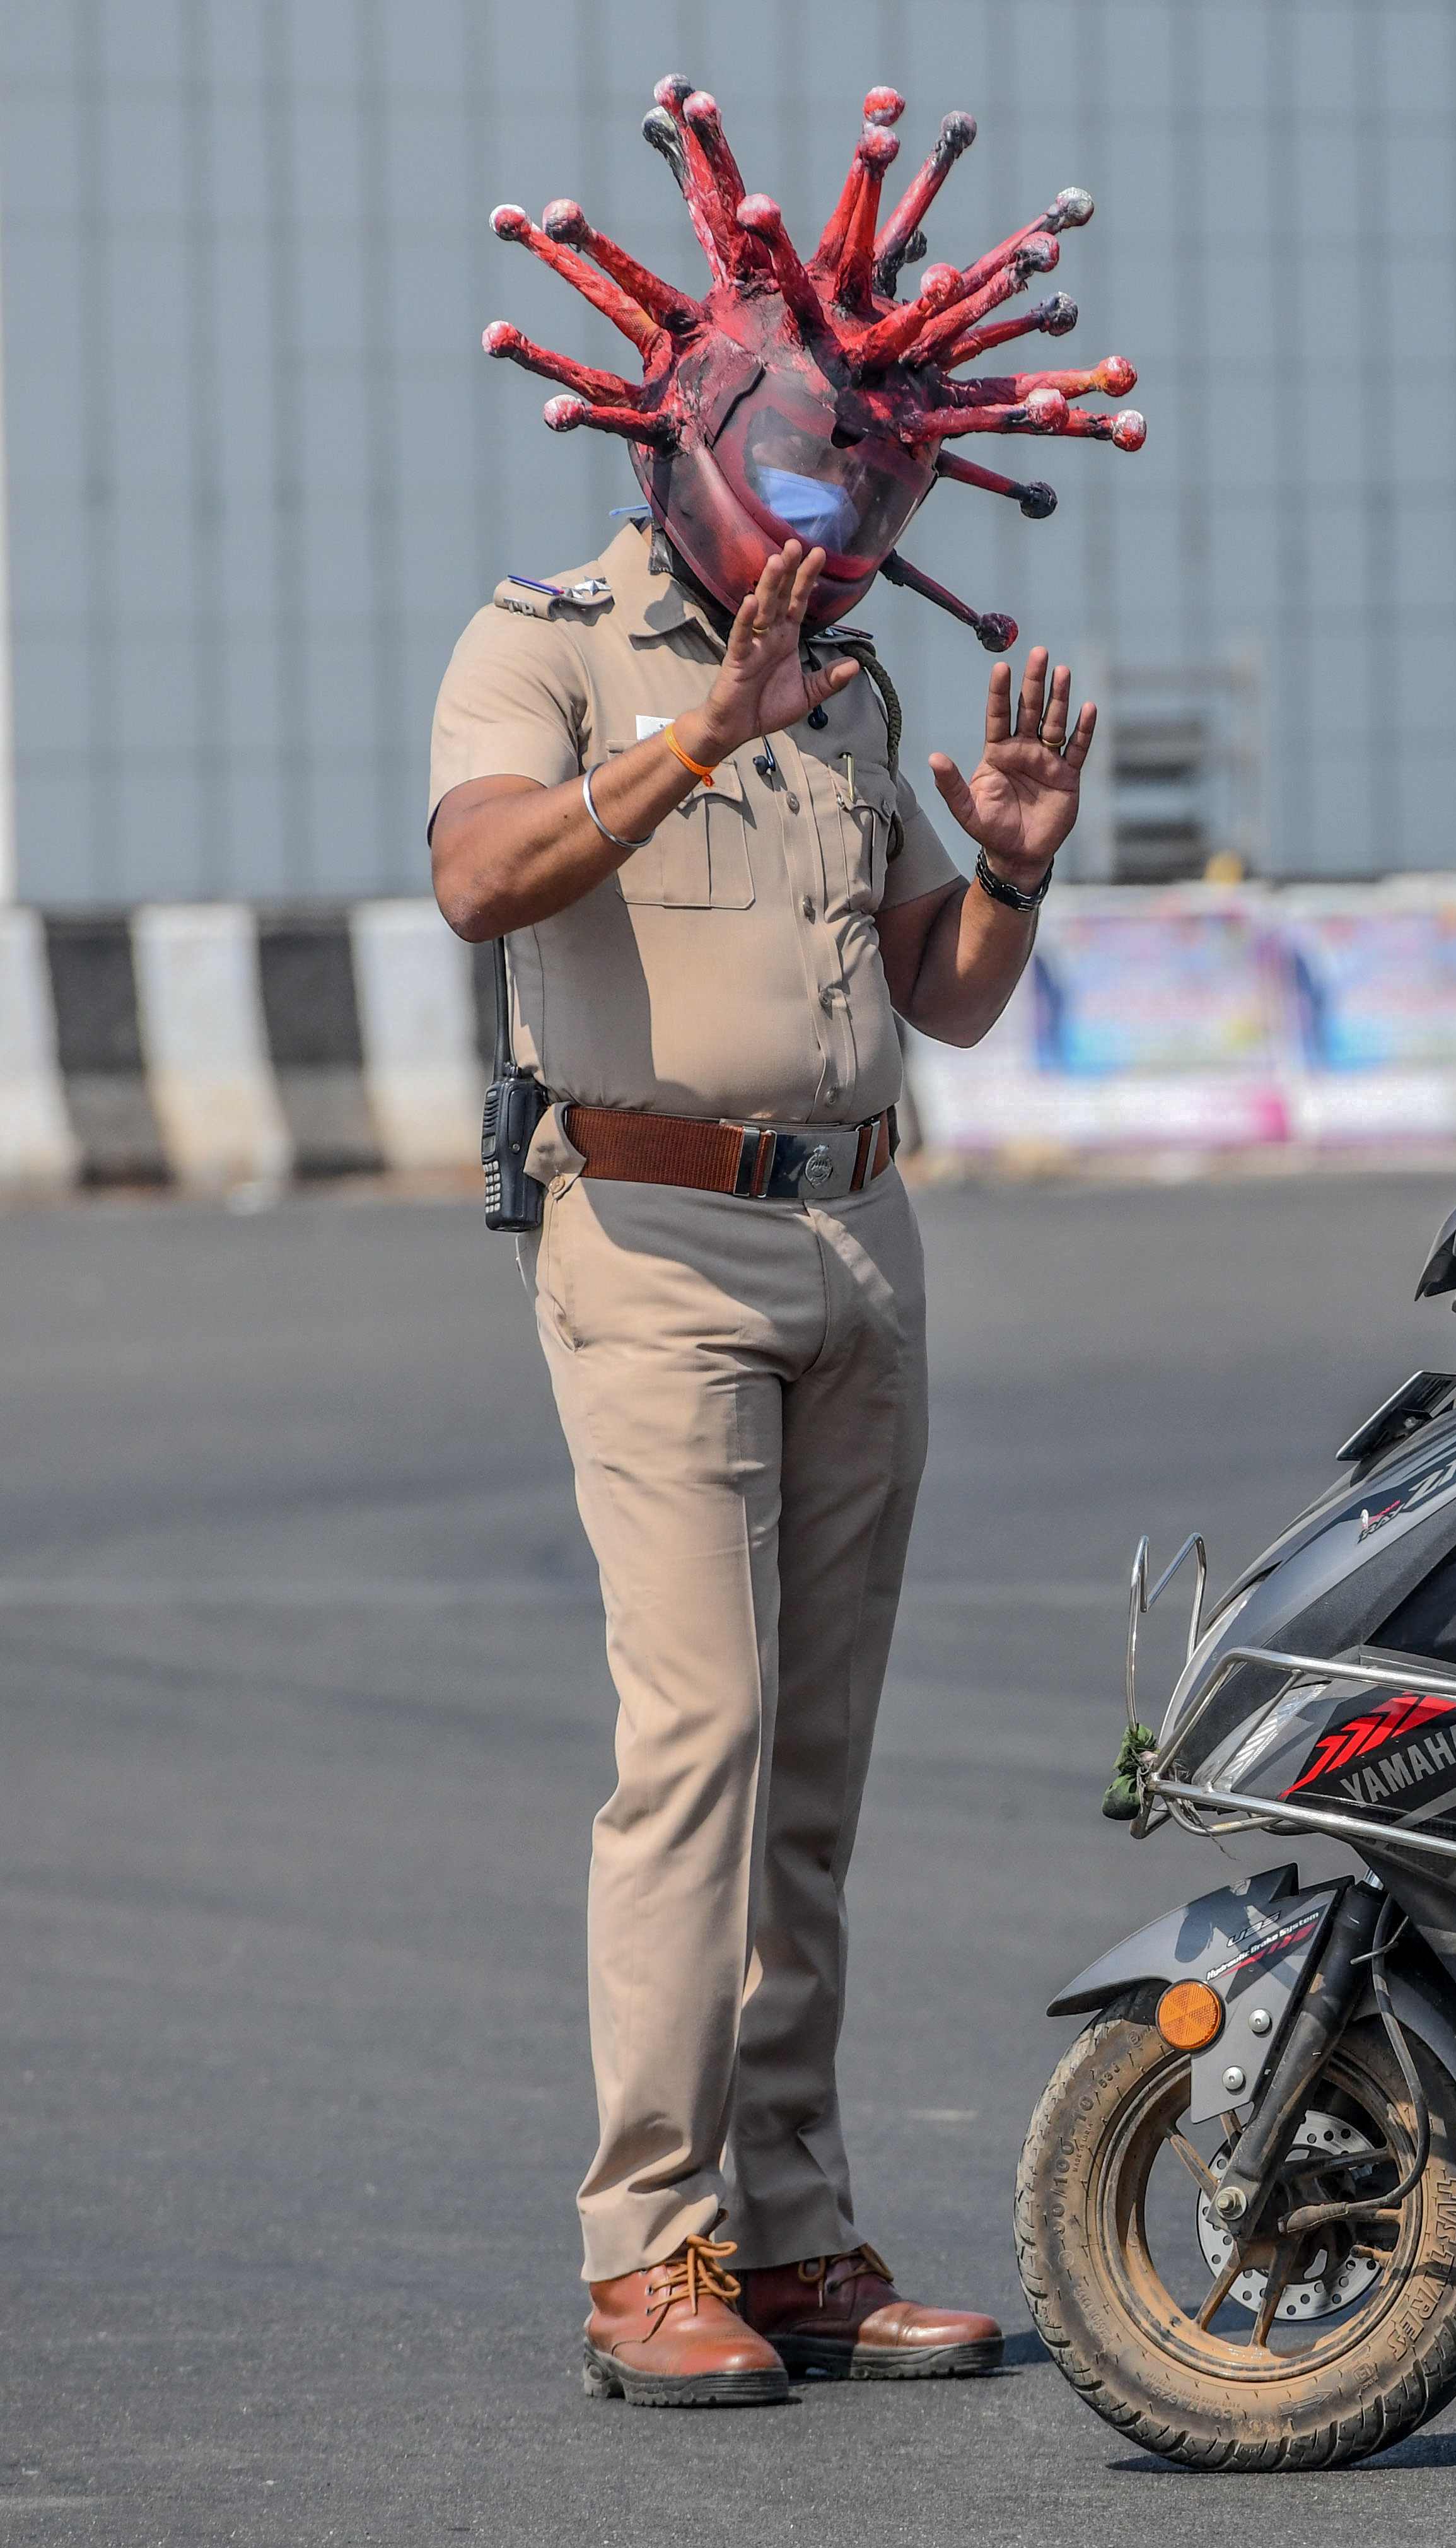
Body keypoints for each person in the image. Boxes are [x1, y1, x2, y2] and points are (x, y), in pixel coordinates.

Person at [426, 76, 1141, 2407]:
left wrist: (1014, 861)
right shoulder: (541, 642)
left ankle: (801, 2231)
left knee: (814, 1774)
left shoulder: (862, 678)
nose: (844, 520)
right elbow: (477, 879)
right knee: (701, 1749)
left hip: (859, 1250)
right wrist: (691, 732)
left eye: (877, 485)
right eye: (814, 472)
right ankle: (651, 2246)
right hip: (647, 1243)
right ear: (692, 439)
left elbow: (933, 993)